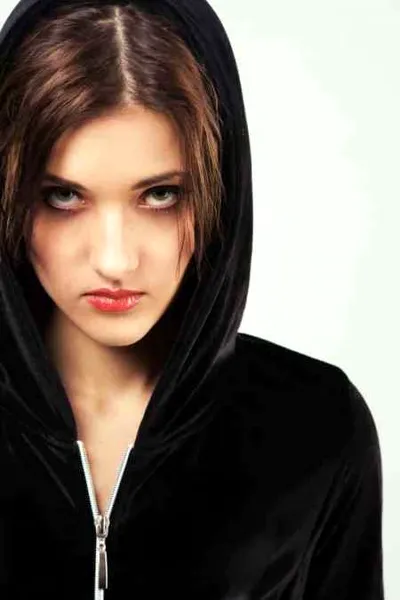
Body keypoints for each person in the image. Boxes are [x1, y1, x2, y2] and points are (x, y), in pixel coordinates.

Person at [0, 0, 384, 598]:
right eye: (63, 196)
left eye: (159, 195)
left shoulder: (315, 430)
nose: (115, 260)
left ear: (217, 195)